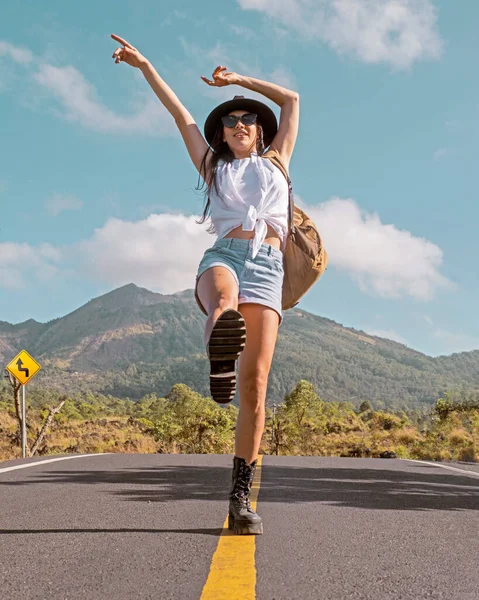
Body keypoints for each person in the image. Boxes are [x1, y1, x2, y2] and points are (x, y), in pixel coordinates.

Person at [111, 34, 299, 535]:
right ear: (222, 135)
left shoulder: (278, 160)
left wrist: (238, 80)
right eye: (230, 122)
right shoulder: (212, 165)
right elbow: (181, 115)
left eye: (247, 120)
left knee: (256, 389)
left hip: (269, 267)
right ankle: (220, 348)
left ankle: (240, 497)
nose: (238, 125)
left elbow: (292, 100)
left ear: (260, 132)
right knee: (224, 300)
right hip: (225, 256)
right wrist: (145, 63)